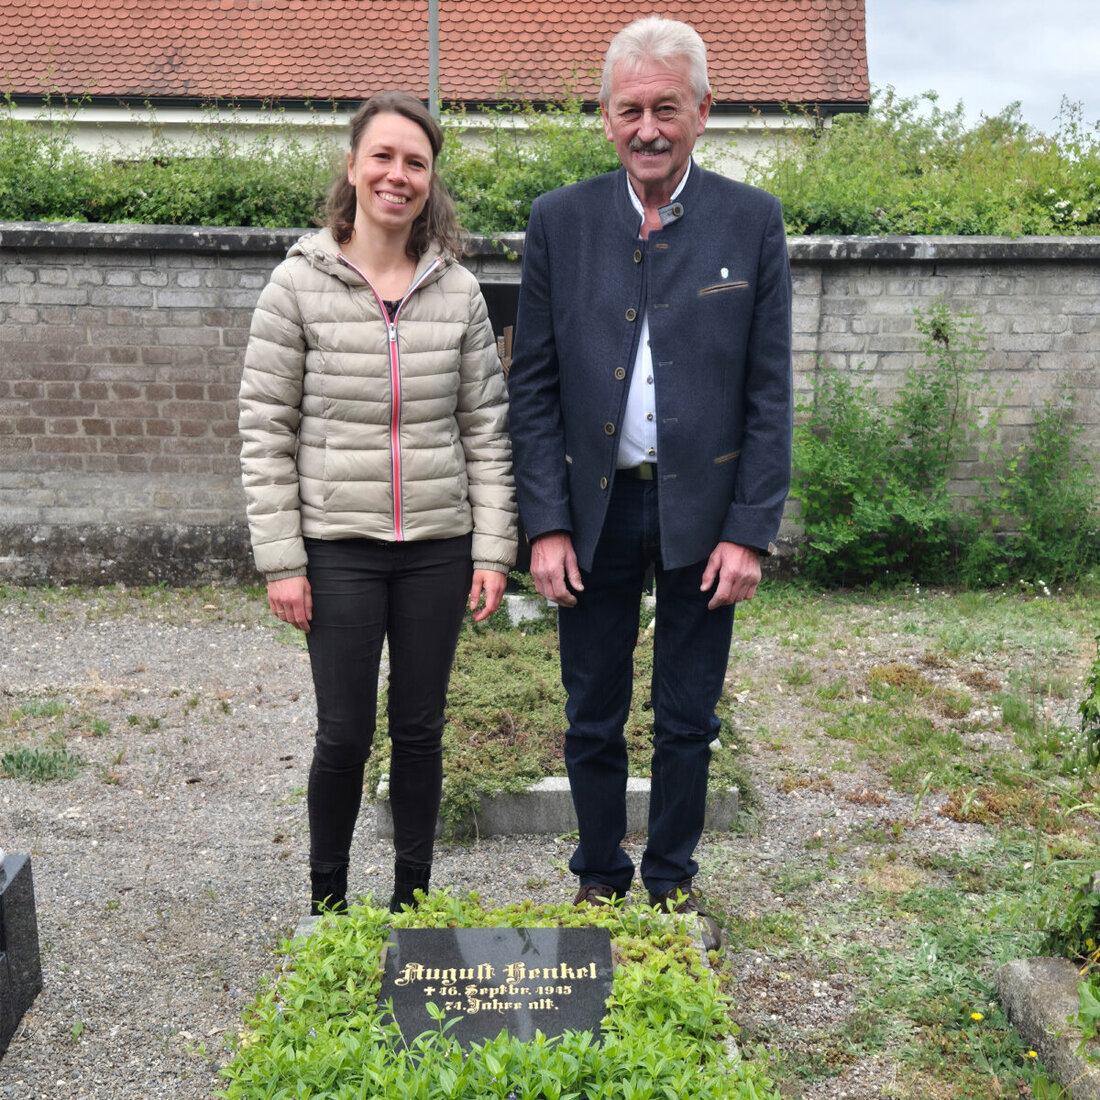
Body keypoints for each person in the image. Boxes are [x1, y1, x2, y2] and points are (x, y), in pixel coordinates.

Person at [507, 17, 793, 950]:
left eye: (666, 107)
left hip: (703, 513)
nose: (647, 128)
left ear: (703, 111)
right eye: (629, 110)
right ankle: (598, 876)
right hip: (594, 510)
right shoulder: (559, 221)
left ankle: (671, 884)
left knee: (687, 716)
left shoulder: (751, 221)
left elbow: (769, 390)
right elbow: (533, 386)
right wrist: (545, 523)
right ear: (605, 118)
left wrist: (750, 530)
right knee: (592, 711)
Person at [239, 91, 517, 917]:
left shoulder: (458, 292)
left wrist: (492, 551)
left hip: (438, 545)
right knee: (344, 733)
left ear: (431, 181)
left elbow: (485, 428)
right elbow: (265, 430)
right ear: (354, 166)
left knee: (420, 731)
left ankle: (412, 906)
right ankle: (328, 910)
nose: (399, 175)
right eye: (384, 157)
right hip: (339, 548)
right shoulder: (296, 285)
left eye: (416, 163)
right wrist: (283, 562)